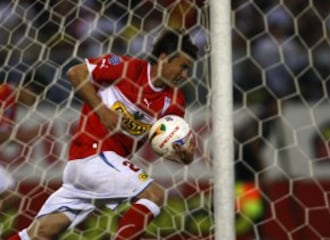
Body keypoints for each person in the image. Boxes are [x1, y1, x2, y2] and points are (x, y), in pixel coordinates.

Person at [9, 29, 198, 240]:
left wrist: (184, 156)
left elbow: (165, 142)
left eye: (188, 69)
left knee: (40, 233)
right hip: (93, 155)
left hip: (96, 169)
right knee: (155, 195)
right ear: (163, 58)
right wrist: (102, 109)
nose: (185, 75)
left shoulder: (174, 100)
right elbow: (76, 73)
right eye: (183, 67)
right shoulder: (127, 67)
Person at [0, 76, 42, 215]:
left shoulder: (12, 104)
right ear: (28, 88)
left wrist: (19, 138)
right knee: (12, 196)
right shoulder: (3, 93)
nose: (35, 102)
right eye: (36, 97)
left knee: (13, 196)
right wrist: (21, 136)